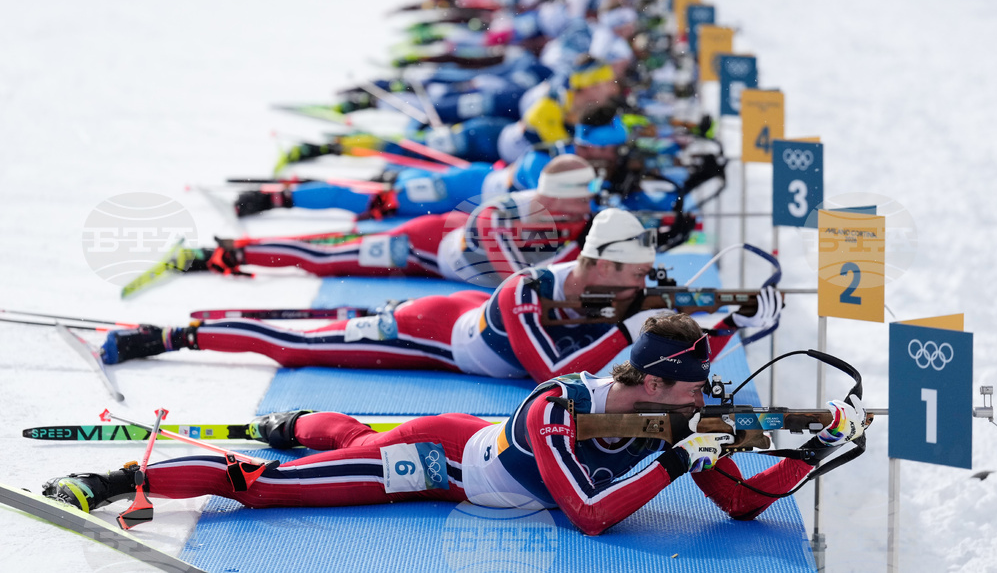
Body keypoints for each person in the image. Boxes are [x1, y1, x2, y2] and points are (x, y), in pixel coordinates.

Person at [44, 314, 867, 535]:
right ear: (650, 382)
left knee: (345, 441)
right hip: (439, 459)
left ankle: (298, 421)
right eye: (691, 392)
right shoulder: (559, 406)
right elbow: (589, 516)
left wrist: (815, 449)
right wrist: (677, 461)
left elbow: (742, 505)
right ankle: (119, 478)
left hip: (468, 455)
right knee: (264, 489)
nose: (702, 404)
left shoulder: (680, 419)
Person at [99, 208, 782, 383]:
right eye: (633, 277)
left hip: (465, 324)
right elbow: (553, 374)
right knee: (300, 349)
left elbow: (670, 311)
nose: (641, 287)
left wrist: (735, 310)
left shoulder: (613, 286)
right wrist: (638, 326)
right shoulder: (526, 290)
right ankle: (172, 336)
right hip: (430, 335)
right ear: (599, 264)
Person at [200, 155, 597, 287]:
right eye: (583, 198)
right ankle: (237, 248)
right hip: (422, 245)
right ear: (557, 197)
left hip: (444, 238)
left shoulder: (577, 219)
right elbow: (518, 282)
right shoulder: (505, 211)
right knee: (332, 252)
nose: (589, 205)